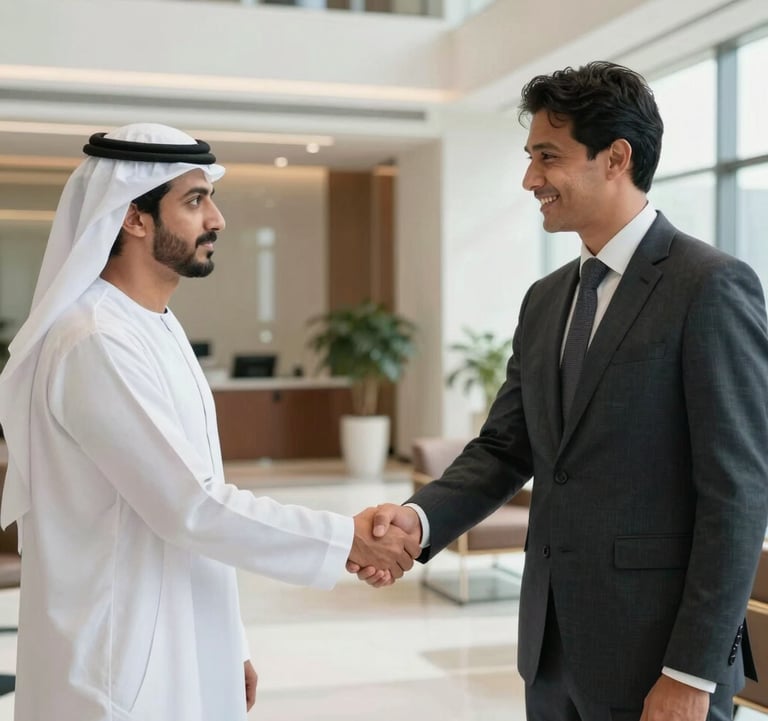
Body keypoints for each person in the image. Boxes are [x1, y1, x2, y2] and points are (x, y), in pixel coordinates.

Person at [353, 61, 768, 721]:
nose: (530, 179)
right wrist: (419, 519)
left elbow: (738, 494)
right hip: (550, 654)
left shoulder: (710, 286)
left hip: (660, 661)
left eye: (548, 157)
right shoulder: (545, 300)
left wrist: (689, 670)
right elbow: (503, 447)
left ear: (616, 158)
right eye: (529, 157)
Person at [0, 123, 419, 721]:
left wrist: (227, 641)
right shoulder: (95, 340)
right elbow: (191, 506)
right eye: (195, 201)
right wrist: (343, 538)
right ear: (133, 217)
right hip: (119, 660)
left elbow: (193, 506)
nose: (217, 219)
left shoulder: (154, 325)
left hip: (177, 636)